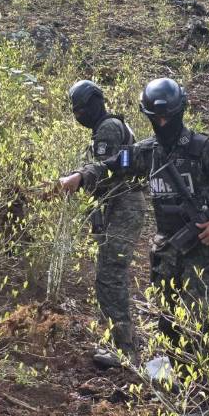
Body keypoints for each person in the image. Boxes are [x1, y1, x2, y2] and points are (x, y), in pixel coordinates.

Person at [59, 78, 209, 371]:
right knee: (168, 323)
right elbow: (111, 165)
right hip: (166, 251)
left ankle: (207, 402)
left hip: (202, 250)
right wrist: (80, 177)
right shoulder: (147, 152)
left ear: (180, 111)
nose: (163, 122)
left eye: (168, 116)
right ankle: (179, 392)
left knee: (205, 326)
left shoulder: (203, 149)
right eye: (156, 118)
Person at [68, 80, 146, 368]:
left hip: (123, 206)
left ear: (93, 104)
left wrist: (80, 179)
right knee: (108, 275)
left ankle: (125, 350)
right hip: (118, 207)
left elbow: (107, 172)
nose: (77, 115)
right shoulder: (106, 128)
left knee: (111, 276)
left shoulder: (108, 129)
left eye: (80, 109)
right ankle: (120, 342)